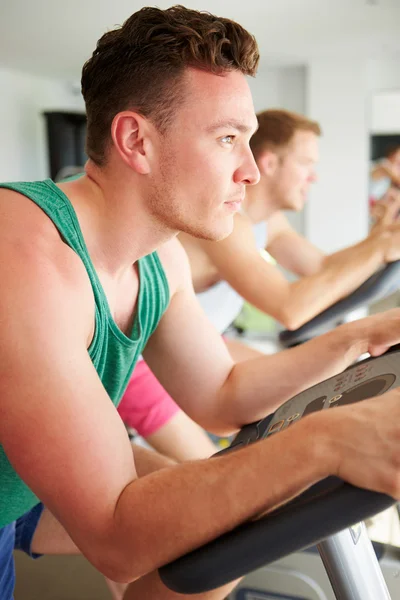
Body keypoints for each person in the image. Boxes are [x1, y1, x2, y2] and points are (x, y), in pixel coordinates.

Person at [3, 7, 400, 600]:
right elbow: (116, 532)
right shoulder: (26, 256)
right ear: (136, 140)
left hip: (17, 487)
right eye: (227, 139)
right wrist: (328, 441)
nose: (250, 171)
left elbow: (220, 392)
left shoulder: (159, 259)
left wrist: (355, 340)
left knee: (215, 530)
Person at [117, 108, 400, 462]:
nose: (313, 177)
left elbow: (324, 268)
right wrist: (378, 248)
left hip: (199, 339)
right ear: (269, 163)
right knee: (213, 469)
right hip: (143, 357)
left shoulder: (270, 223)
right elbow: (289, 307)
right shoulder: (227, 224)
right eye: (305, 163)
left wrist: (382, 238)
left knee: (306, 391)